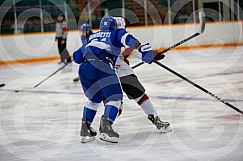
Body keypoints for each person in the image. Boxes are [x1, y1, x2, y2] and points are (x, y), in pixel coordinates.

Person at [73, 16, 166, 144]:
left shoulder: (94, 37)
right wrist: (150, 54)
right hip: (108, 70)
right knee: (117, 99)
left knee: (95, 99)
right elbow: (133, 47)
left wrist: (150, 55)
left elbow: (77, 57)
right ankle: (107, 126)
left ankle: (86, 128)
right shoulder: (118, 34)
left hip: (90, 69)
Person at [113, 17, 172, 133]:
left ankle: (105, 125)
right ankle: (155, 119)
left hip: (109, 74)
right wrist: (149, 56)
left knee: (116, 104)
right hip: (121, 73)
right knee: (139, 97)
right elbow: (130, 51)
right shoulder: (120, 37)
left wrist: (150, 55)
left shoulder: (103, 38)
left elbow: (128, 52)